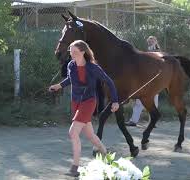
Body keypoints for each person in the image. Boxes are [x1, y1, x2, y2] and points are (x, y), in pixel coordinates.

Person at [49, 40, 119, 177]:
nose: (72, 54)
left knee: (73, 132)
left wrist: (115, 101)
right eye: (71, 52)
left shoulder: (93, 68)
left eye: (75, 52)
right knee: (90, 135)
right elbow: (70, 79)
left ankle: (75, 168)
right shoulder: (71, 65)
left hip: (88, 102)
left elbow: (109, 82)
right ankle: (106, 153)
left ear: (83, 52)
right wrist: (59, 86)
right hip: (75, 102)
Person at [125, 36, 160, 127]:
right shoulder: (148, 52)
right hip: (145, 80)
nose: (150, 42)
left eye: (152, 41)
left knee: (153, 102)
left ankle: (152, 122)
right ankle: (134, 121)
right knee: (140, 101)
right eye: (149, 41)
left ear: (155, 42)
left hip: (154, 81)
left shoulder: (157, 52)